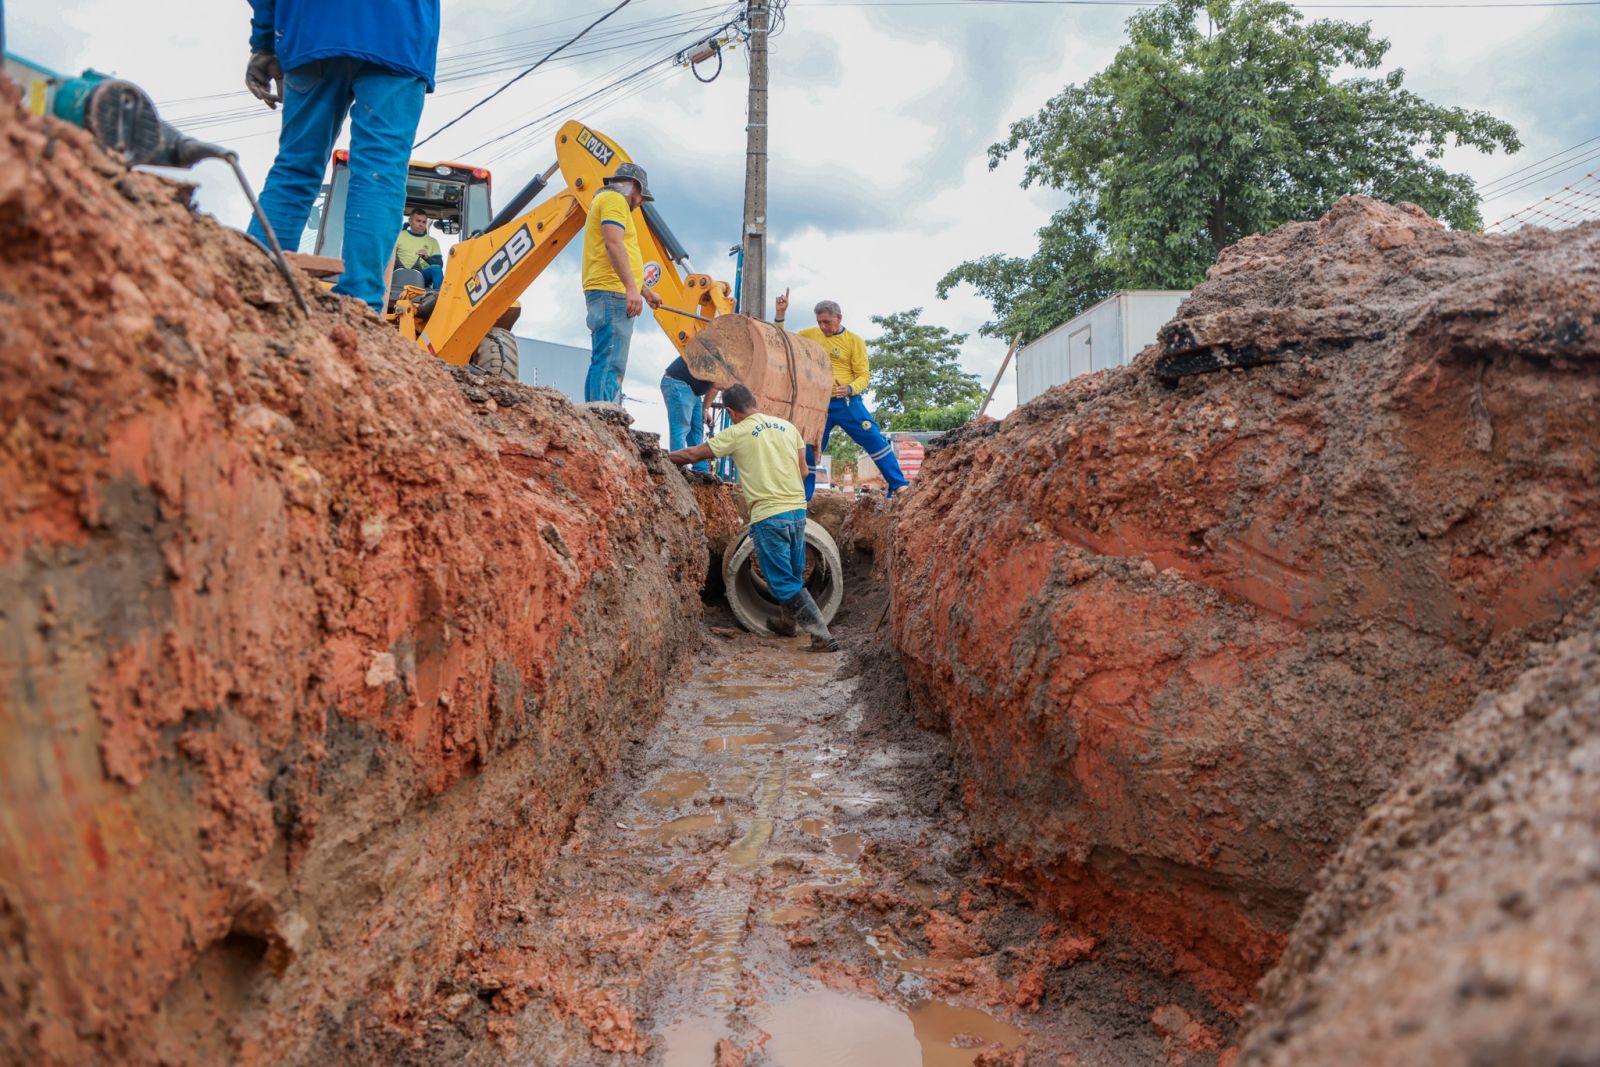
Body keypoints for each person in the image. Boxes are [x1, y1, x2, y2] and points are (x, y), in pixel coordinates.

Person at [244, 0, 440, 313]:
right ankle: (359, 306)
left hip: (311, 27)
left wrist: (264, 42)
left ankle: (253, 285)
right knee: (381, 172)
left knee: (296, 168)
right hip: (399, 33)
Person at [668, 384, 838, 652]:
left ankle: (821, 636)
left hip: (770, 515)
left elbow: (692, 454)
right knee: (793, 573)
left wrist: (661, 457)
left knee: (782, 580)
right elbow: (804, 472)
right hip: (797, 511)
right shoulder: (788, 427)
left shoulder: (736, 432)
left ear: (730, 411)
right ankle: (787, 623)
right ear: (755, 401)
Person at [773, 290, 910, 500]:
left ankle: (899, 485)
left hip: (846, 402)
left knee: (873, 437)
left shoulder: (854, 341)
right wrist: (780, 314)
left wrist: (850, 388)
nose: (822, 327)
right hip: (817, 406)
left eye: (827, 322)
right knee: (808, 450)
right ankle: (801, 499)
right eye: (819, 322)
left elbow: (864, 376)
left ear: (839, 318)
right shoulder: (809, 334)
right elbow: (782, 343)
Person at [582, 162, 662, 403]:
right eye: (640, 197)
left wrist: (644, 291)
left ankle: (596, 413)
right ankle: (602, 415)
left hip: (607, 290)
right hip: (612, 292)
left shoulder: (606, 201)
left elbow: (619, 252)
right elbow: (613, 243)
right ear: (634, 187)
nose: (640, 203)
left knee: (604, 357)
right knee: (611, 361)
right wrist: (630, 288)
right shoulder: (615, 201)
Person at [660, 355, 716, 473]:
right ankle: (679, 470)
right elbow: (718, 385)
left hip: (694, 391)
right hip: (678, 382)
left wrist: (705, 409)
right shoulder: (722, 357)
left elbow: (715, 385)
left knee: (696, 432)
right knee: (681, 428)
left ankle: (701, 472)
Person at [394, 208, 444, 289]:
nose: (421, 224)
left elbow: (439, 264)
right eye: (418, 221)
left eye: (424, 222)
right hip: (397, 271)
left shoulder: (432, 242)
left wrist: (426, 257)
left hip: (421, 275)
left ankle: (439, 298)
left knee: (436, 269)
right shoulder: (398, 236)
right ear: (410, 221)